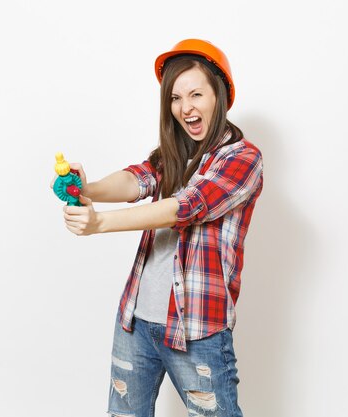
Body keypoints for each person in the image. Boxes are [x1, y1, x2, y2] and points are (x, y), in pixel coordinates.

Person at [60, 39, 264, 417]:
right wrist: (85, 189)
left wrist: (100, 222)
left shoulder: (242, 158)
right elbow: (135, 181)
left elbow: (183, 207)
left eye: (196, 94)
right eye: (175, 98)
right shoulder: (174, 153)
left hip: (198, 330)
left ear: (219, 94)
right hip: (136, 323)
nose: (185, 108)